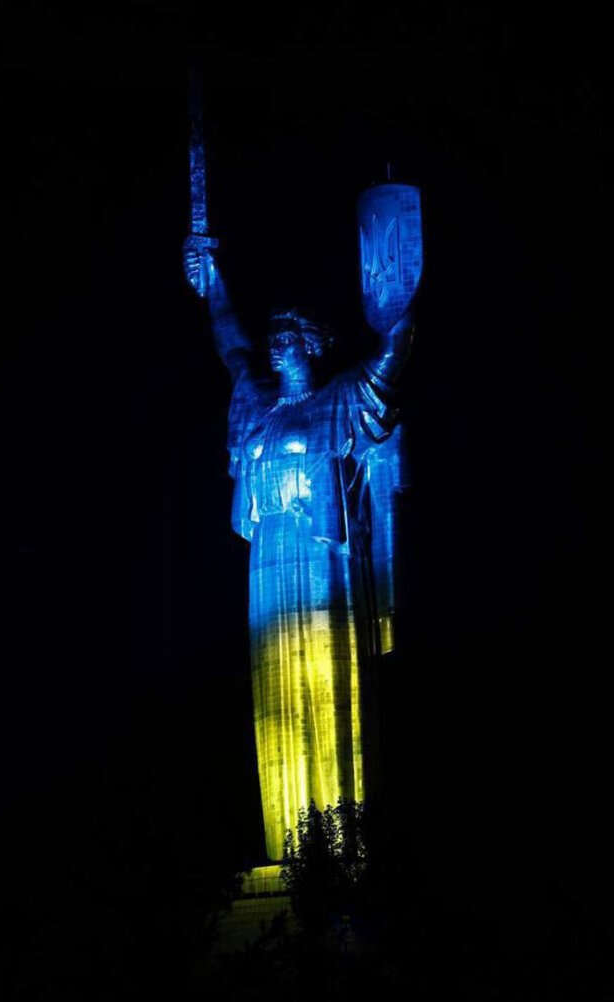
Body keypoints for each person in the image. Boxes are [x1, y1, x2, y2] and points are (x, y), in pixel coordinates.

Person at [184, 242, 414, 861]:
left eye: (287, 336)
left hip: (324, 558)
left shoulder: (340, 398)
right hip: (268, 563)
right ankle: (287, 852)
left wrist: (399, 295)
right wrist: (212, 275)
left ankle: (344, 849)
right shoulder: (256, 409)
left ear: (312, 344)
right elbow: (230, 345)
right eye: (274, 337)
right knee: (275, 701)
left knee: (328, 685)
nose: (276, 345)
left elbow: (392, 359)